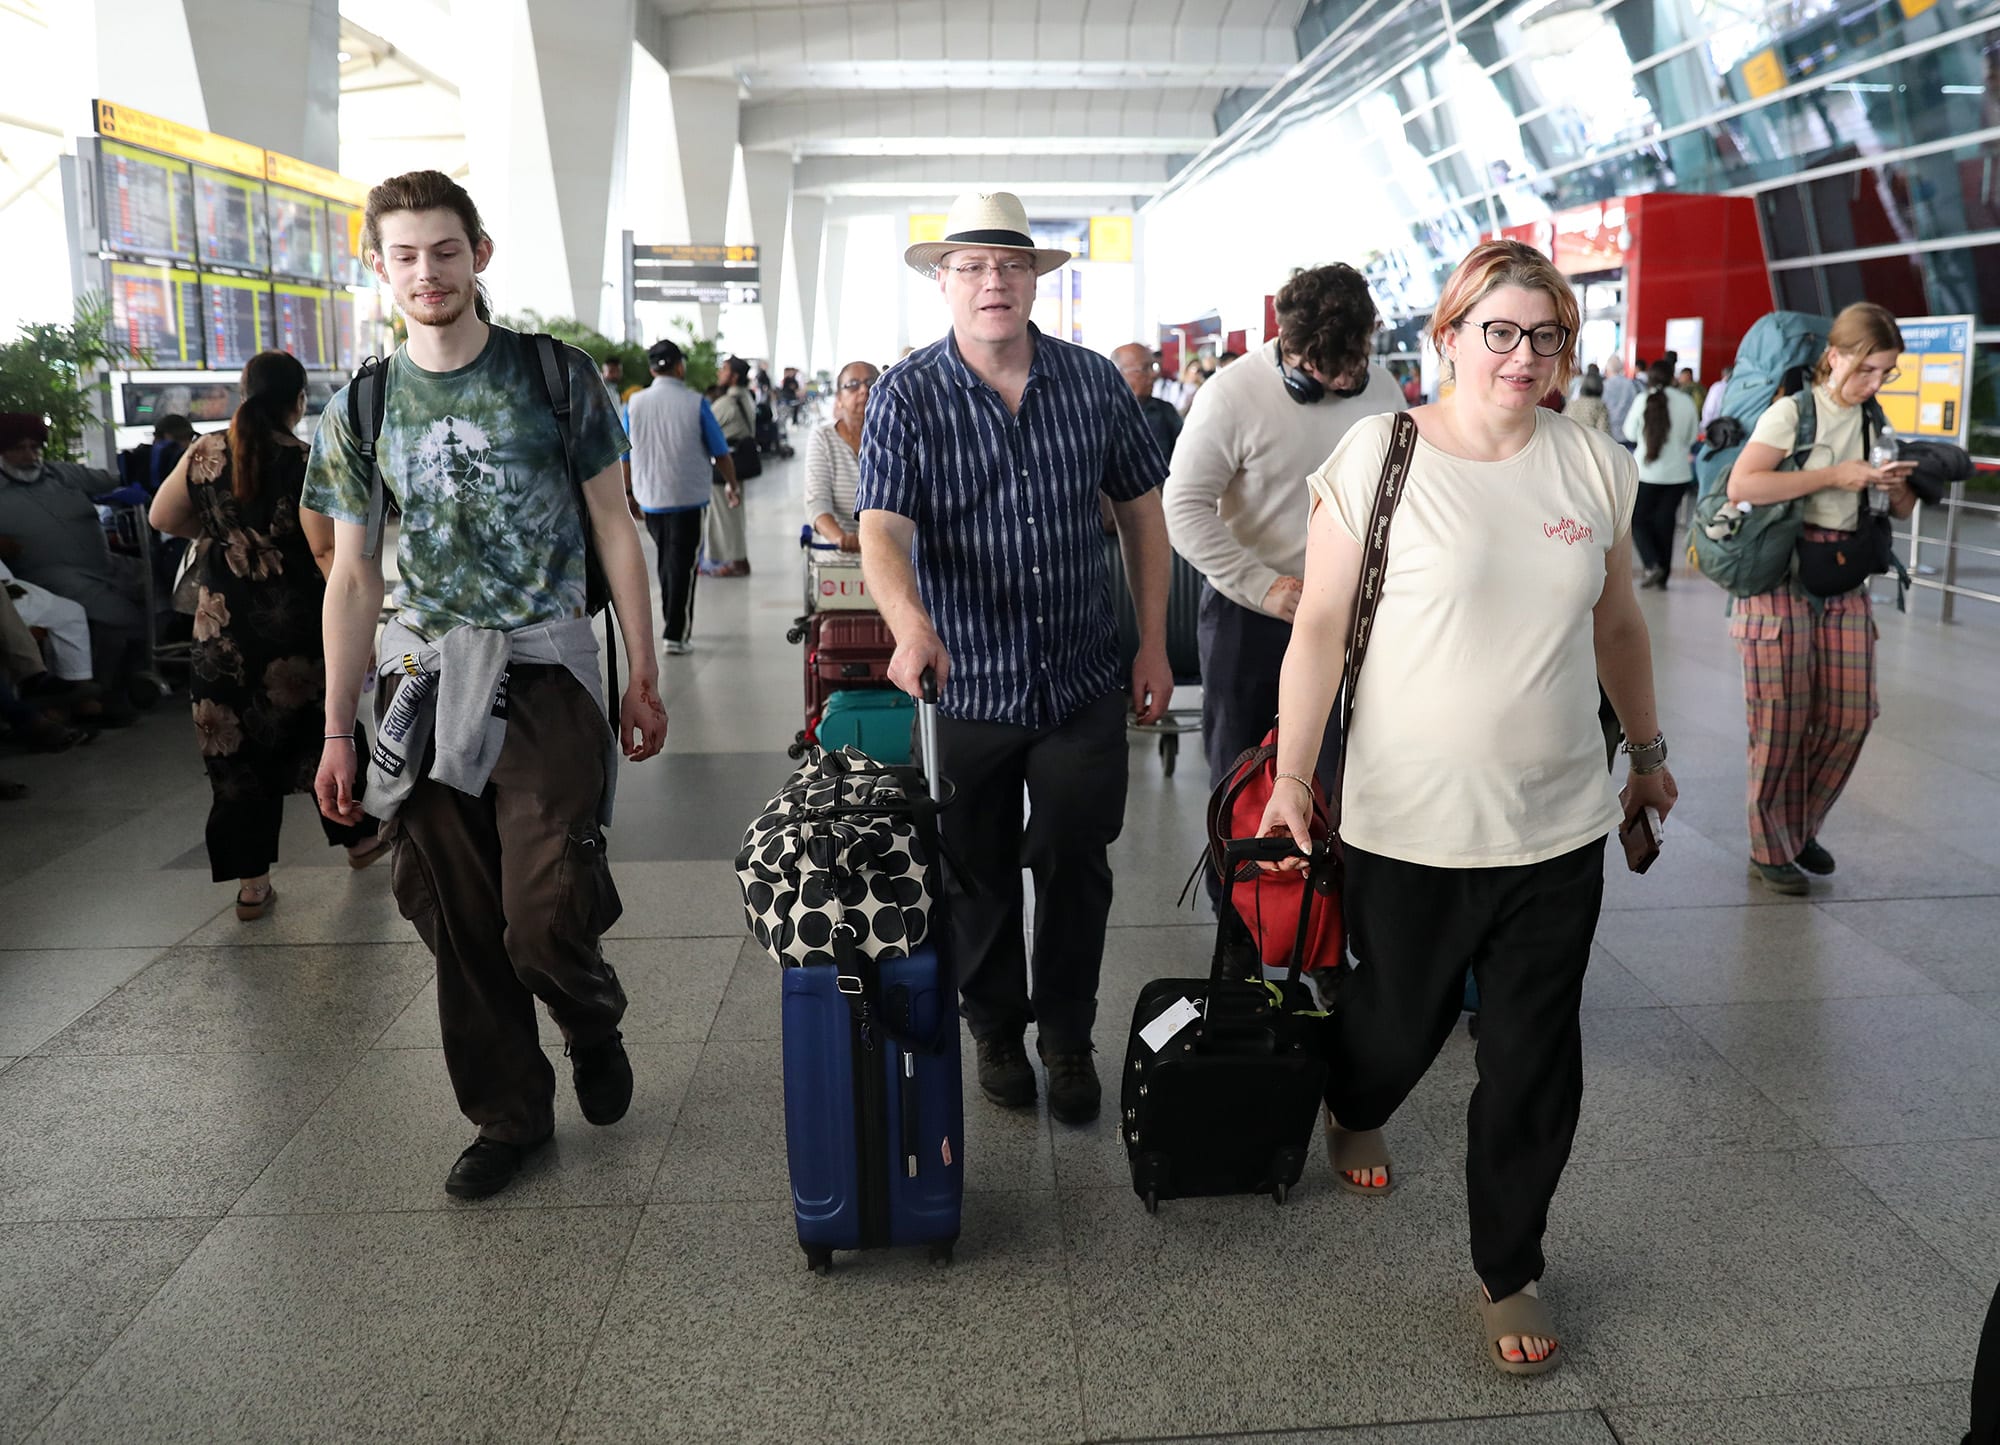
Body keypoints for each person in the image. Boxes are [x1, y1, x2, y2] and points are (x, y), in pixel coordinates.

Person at [1259, 238, 1674, 1375]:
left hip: (1555, 823)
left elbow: (1616, 624)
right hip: (1408, 821)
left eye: (1545, 335)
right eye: (1497, 330)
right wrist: (1294, 775)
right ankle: (1351, 1094)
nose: (1522, 355)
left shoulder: (1588, 464)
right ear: (1446, 337)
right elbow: (1319, 628)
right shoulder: (1378, 454)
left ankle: (1509, 1264)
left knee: (1536, 1056)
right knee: (1395, 1025)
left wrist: (1642, 752)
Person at [304, 169, 669, 1200]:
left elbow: (614, 525)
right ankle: (507, 1115)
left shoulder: (555, 378)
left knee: (545, 904)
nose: (427, 272)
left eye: (445, 250)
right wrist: (339, 728)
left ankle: (590, 1014)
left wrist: (642, 673)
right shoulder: (362, 405)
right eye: (405, 254)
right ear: (378, 266)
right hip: (419, 681)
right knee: (457, 917)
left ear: (480, 254)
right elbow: (353, 573)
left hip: (544, 668)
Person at [857, 189, 1172, 1127]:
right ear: (943, 282)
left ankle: (1068, 1034)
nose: (993, 282)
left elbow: (1142, 518)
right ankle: (995, 1024)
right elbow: (881, 531)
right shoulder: (908, 395)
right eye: (971, 267)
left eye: (1011, 265)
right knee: (976, 867)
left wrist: (1152, 639)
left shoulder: (1091, 383)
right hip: (967, 681)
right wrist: (910, 624)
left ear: (1035, 280)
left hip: (1080, 673)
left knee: (1077, 855)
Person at [148, 351, 385, 918]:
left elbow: (163, 518)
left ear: (243, 390)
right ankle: (361, 840)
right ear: (299, 401)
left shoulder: (202, 452)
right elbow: (328, 552)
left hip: (220, 632)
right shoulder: (308, 459)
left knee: (232, 751)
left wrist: (226, 538)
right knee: (322, 733)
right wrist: (364, 633)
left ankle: (252, 885)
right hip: (296, 628)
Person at [1162, 262, 1403, 813]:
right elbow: (1183, 507)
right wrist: (1265, 586)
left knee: (1349, 784)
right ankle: (1240, 900)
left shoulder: (1385, 389)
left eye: (1353, 364)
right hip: (1250, 616)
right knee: (1242, 783)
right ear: (1287, 346)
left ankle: (1329, 900)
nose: (1343, 382)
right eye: (1322, 369)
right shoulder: (1231, 394)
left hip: (1356, 612)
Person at [1724, 302, 1915, 897]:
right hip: (1780, 569)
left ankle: (1796, 826)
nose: (1875, 383)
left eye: (1886, 373)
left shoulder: (1872, 420)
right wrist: (1835, 476)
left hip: (1843, 572)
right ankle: (1768, 847)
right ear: (1834, 356)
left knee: (1852, 713)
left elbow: (1901, 508)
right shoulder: (1793, 412)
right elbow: (1744, 484)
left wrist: (1897, 484)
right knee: (1779, 720)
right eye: (1867, 370)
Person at [0, 412, 148, 715]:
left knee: (161, 589)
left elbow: (116, 478)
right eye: (19, 449)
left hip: (105, 564)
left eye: (34, 447)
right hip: (51, 574)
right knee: (124, 617)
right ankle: (102, 692)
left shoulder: (61, 473)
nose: (29, 456)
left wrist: (129, 480)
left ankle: (140, 674)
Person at [624, 338, 737, 656]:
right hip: (688, 498)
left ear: (651, 368)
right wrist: (732, 485)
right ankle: (676, 632)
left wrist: (629, 492)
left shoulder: (633, 404)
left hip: (651, 498)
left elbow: (624, 456)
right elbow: (720, 452)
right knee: (682, 564)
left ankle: (670, 624)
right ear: (679, 366)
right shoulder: (695, 402)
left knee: (666, 559)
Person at [1624, 360, 1700, 589]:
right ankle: (1663, 575)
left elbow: (1629, 432)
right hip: (1678, 474)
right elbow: (1692, 436)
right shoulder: (1686, 402)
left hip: (1646, 472)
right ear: (1672, 378)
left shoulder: (1643, 400)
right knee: (1665, 522)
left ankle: (1652, 564)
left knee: (1637, 519)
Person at [803, 360, 879, 550]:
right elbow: (817, 504)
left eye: (871, 384)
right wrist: (841, 538)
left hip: (887, 555)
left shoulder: (898, 437)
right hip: (838, 559)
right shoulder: (823, 438)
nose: (863, 390)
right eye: (852, 385)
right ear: (839, 398)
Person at [705, 357, 756, 577]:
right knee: (733, 514)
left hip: (726, 466)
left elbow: (705, 426)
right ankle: (735, 558)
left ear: (734, 376)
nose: (719, 373)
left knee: (726, 515)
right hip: (740, 462)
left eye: (724, 369)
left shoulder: (727, 403)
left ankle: (736, 561)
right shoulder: (746, 397)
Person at [1110, 343, 1183, 465]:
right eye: (1144, 369)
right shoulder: (1102, 415)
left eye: (1153, 367)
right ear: (1118, 374)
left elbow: (1184, 455)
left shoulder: (1165, 411)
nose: (1154, 375)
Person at [1601, 356, 1638, 444]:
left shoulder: (1604, 385)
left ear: (1608, 369)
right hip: (1626, 432)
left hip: (1609, 432)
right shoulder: (1630, 385)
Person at [1701, 364, 1733, 429]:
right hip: (1730, 425)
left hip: (1714, 425)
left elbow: (1710, 408)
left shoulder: (1717, 387)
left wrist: (1705, 424)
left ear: (1723, 375)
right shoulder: (1737, 388)